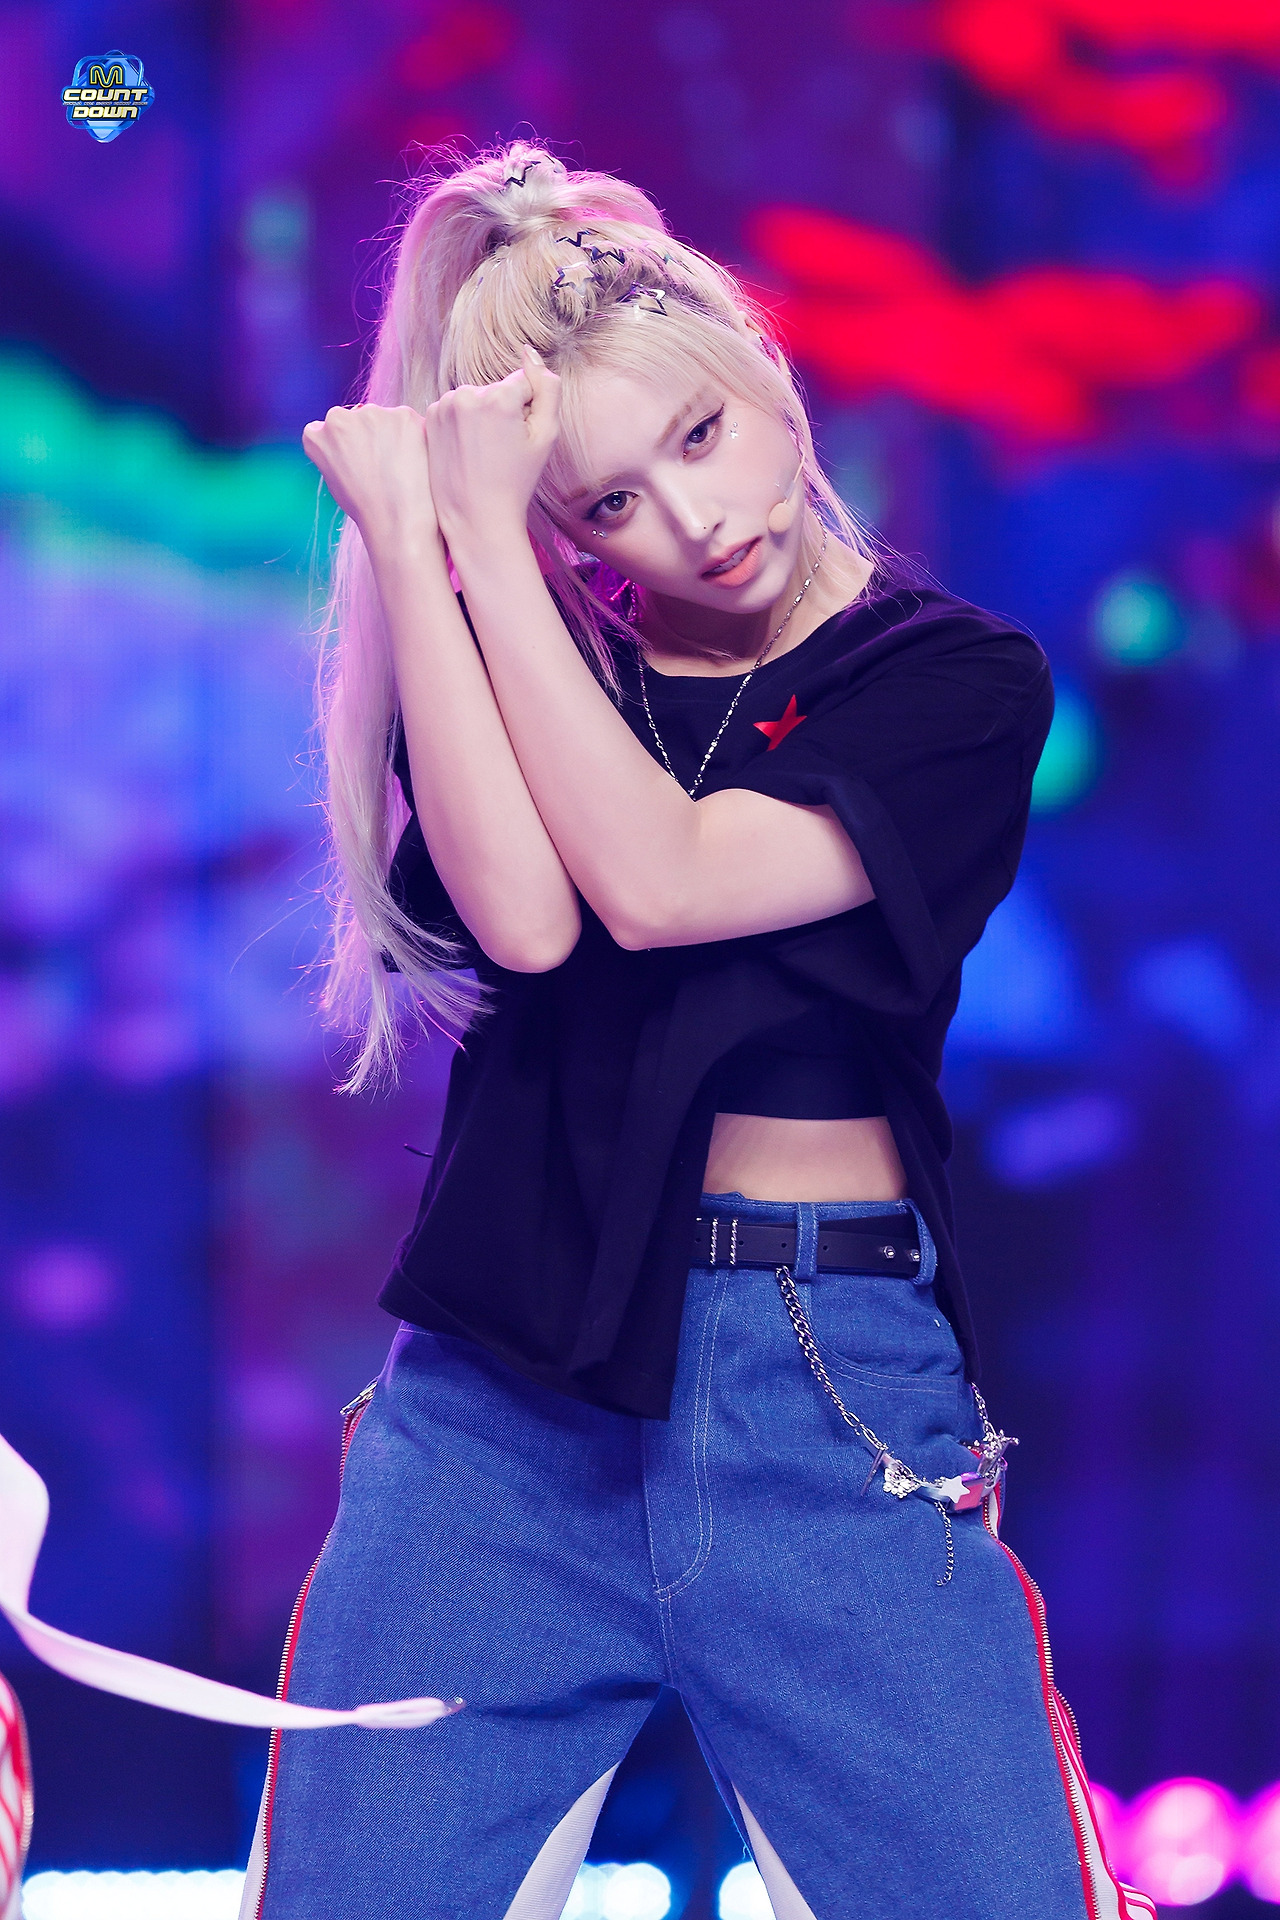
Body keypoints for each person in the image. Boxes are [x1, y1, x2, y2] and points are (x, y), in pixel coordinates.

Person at [242, 140, 1148, 1920]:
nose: (693, 517)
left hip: (825, 1373)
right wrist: (431, 543)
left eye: (701, 435)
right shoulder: (517, 653)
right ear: (559, 533)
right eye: (605, 505)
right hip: (502, 1412)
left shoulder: (953, 682)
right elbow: (527, 921)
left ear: (763, 369)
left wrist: (487, 549)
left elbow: (656, 882)